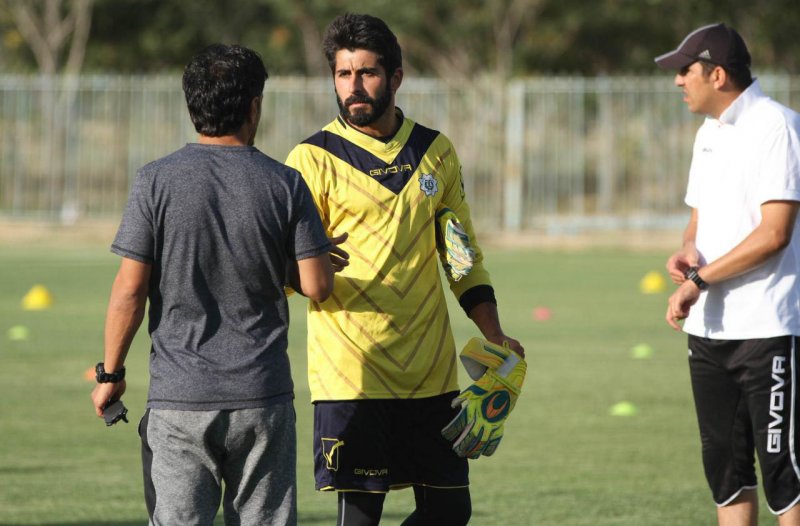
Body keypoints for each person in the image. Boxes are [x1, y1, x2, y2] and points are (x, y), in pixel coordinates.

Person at [284, 13, 524, 526]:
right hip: (352, 376)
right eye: (343, 74)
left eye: (368, 73)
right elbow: (284, 270)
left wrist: (494, 333)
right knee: (361, 517)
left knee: (449, 511)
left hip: (431, 375)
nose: (354, 86)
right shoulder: (310, 161)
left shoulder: (435, 152)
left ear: (396, 77)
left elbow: (460, 255)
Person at [90, 44, 339, 526]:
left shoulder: (154, 181)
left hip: (180, 400)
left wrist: (110, 375)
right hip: (262, 396)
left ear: (193, 106)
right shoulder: (285, 183)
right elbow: (317, 285)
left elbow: (129, 291)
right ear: (254, 105)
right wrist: (300, 258)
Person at [657, 23, 800, 525]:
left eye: (684, 70)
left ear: (717, 74)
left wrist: (699, 281)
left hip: (767, 330)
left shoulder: (777, 126)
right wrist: (687, 252)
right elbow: (700, 218)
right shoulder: (708, 134)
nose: (678, 81)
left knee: (785, 473)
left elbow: (774, 233)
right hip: (710, 331)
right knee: (726, 471)